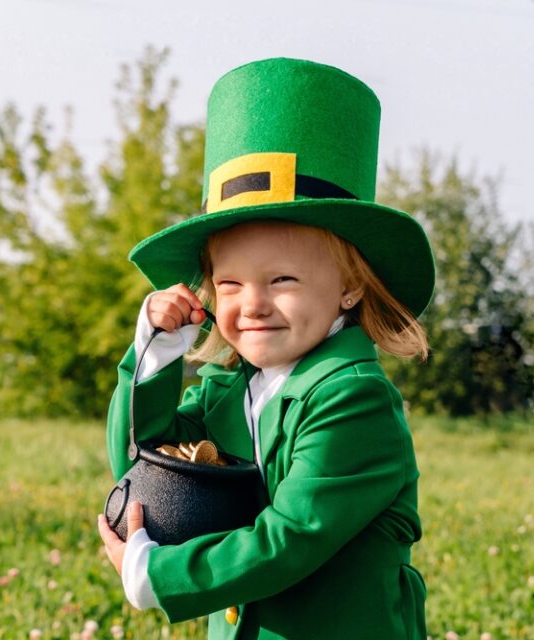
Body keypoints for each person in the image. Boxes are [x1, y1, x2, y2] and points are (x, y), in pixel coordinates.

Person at [97, 57, 436, 639]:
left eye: (282, 281)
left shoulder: (354, 401)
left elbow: (292, 536)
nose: (252, 304)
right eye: (229, 285)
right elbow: (141, 459)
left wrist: (155, 572)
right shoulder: (230, 394)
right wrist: (156, 354)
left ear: (350, 286)